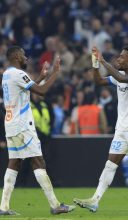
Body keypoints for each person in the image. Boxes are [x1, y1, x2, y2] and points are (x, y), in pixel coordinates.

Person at [73, 46, 128, 213]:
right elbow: (99, 81)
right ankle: (95, 200)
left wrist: (103, 60)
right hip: (122, 129)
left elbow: (121, 78)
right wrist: (96, 63)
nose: (118, 59)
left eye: (122, 57)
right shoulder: (120, 76)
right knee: (110, 164)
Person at [0, 46, 75, 215]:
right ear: (17, 56)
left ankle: (3, 207)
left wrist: (42, 76)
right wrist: (55, 72)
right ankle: (55, 205)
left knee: (14, 163)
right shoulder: (19, 74)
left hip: (10, 123)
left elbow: (26, 88)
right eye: (24, 54)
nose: (26, 57)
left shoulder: (6, 74)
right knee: (38, 162)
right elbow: (41, 91)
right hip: (23, 125)